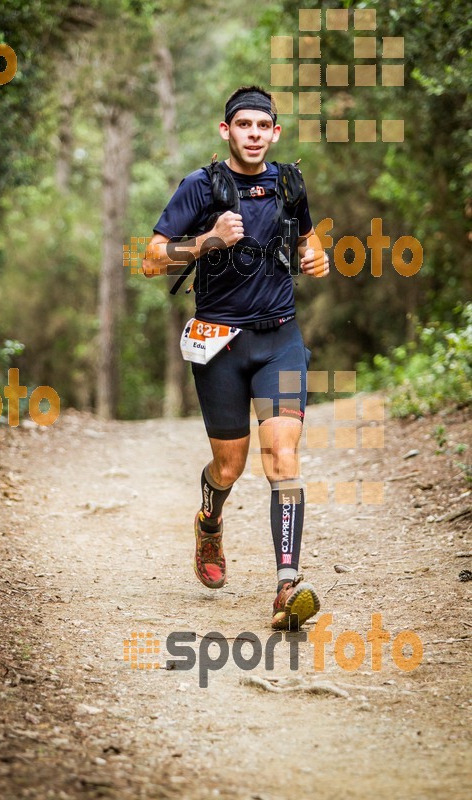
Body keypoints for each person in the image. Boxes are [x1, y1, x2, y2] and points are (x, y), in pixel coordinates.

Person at [142, 85, 329, 629]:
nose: (252, 134)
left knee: (283, 456)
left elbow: (308, 243)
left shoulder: (289, 183)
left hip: (280, 340)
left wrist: (313, 257)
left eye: (261, 126)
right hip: (219, 344)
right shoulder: (201, 187)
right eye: (241, 125)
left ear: (274, 133)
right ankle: (209, 521)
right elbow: (152, 259)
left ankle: (287, 585)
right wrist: (208, 240)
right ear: (226, 131)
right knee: (230, 465)